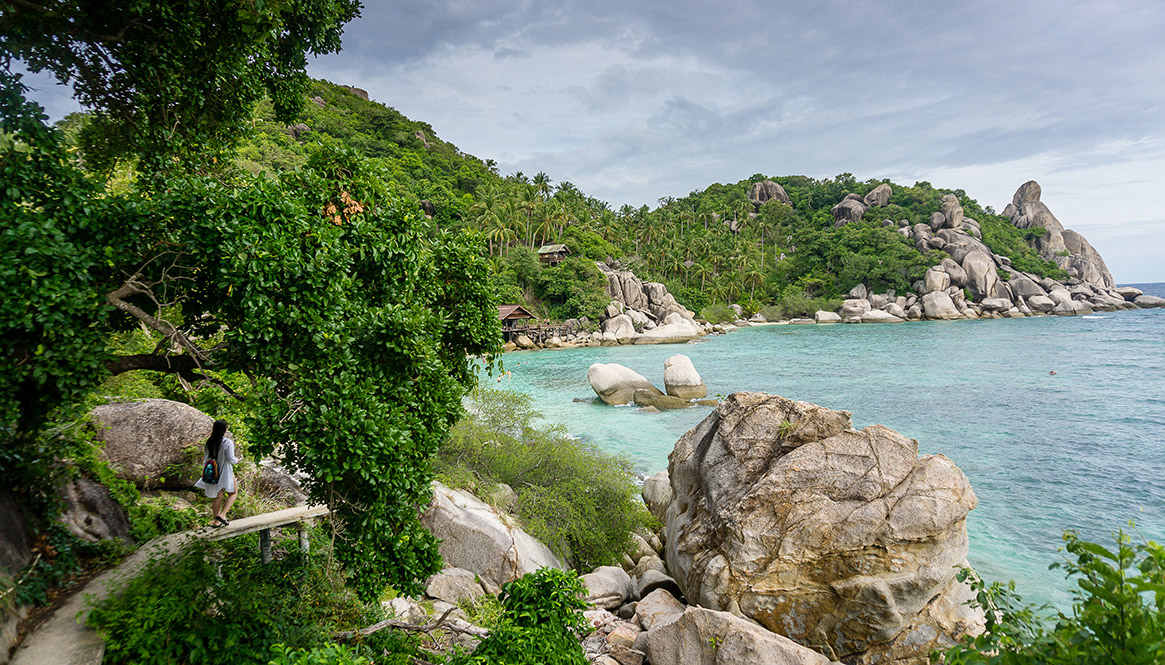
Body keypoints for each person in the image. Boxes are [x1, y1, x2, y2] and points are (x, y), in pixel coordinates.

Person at [193, 419, 240, 527]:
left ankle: (216, 521)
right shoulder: (227, 442)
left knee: (218, 496)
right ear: (225, 429)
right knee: (233, 493)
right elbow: (231, 459)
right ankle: (223, 515)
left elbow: (205, 459)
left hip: (213, 471)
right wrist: (238, 460)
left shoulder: (210, 442)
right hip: (225, 470)